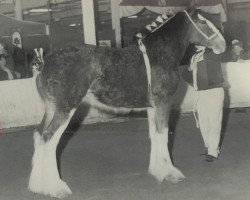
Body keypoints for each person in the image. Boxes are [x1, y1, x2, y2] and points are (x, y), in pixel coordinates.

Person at [182, 46, 225, 162]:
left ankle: (213, 151)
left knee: (214, 121)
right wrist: (190, 68)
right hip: (200, 93)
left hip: (214, 91)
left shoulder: (213, 51)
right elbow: (185, 76)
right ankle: (208, 146)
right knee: (203, 123)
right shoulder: (193, 56)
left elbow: (220, 47)